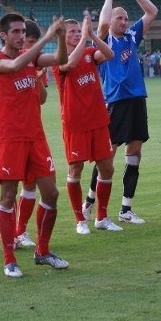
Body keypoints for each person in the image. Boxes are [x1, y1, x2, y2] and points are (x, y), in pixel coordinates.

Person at [0, 13, 68, 278]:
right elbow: (14, 66)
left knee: (51, 194)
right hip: (9, 138)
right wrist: (45, 37)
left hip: (36, 137)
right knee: (8, 197)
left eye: (23, 31)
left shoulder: (30, 58)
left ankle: (42, 252)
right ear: (4, 35)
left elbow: (61, 60)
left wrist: (61, 38)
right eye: (16, 32)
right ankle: (9, 260)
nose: (21, 35)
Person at [86, 0, 158, 225]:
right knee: (107, 155)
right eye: (120, 17)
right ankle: (90, 201)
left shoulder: (131, 37)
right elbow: (103, 24)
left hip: (137, 99)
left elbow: (151, 12)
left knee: (135, 153)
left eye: (126, 18)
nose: (124, 22)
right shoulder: (104, 41)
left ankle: (126, 209)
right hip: (115, 102)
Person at [54, 15, 122, 235]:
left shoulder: (89, 53)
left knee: (107, 166)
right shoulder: (59, 58)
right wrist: (85, 37)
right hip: (76, 123)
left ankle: (102, 216)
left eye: (77, 31)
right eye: (70, 32)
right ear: (63, 37)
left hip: (98, 119)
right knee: (76, 168)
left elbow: (110, 54)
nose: (75, 35)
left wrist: (92, 36)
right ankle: (80, 219)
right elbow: (70, 64)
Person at [14, 20, 48, 248]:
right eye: (30, 42)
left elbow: (42, 99)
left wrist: (37, 77)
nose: (33, 47)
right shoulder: (6, 62)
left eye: (36, 43)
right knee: (9, 187)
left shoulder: (35, 64)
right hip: (12, 133)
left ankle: (20, 231)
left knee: (30, 184)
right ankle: (12, 234)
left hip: (33, 130)